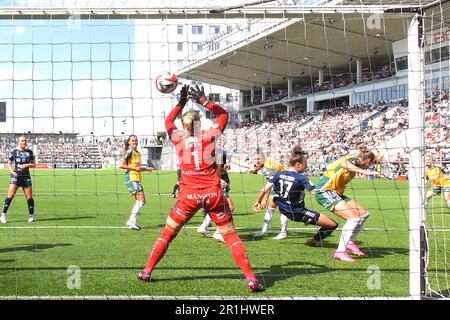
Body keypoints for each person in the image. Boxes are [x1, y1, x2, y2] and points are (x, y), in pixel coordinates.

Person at [138, 85, 264, 292]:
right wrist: (204, 100)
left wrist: (180, 103)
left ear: (184, 125)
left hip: (188, 196)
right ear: (199, 123)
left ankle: (147, 271)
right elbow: (224, 114)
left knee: (167, 234)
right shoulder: (210, 136)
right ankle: (251, 278)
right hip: (213, 194)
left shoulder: (178, 138)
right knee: (231, 236)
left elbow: (168, 122)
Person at [253, 146, 338, 246]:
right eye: (305, 164)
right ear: (298, 165)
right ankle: (314, 241)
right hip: (298, 212)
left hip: (284, 210)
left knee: (311, 212)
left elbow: (263, 190)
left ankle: (286, 230)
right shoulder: (302, 178)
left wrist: (258, 201)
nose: (306, 167)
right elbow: (315, 191)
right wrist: (331, 193)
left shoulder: (278, 175)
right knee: (333, 224)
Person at [315, 150, 381, 262]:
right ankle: (340, 251)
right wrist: (367, 173)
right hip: (325, 191)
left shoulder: (355, 164)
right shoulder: (355, 160)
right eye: (372, 163)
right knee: (353, 219)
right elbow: (344, 164)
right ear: (368, 161)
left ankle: (350, 242)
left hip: (336, 193)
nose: (372, 166)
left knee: (364, 214)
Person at [232, 152, 288, 239]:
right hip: (278, 186)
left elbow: (270, 184)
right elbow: (271, 183)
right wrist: (265, 200)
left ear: (263, 159)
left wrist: (263, 200)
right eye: (255, 159)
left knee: (282, 209)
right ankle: (264, 231)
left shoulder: (268, 166)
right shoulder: (265, 166)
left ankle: (283, 232)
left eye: (259, 159)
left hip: (285, 187)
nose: (256, 161)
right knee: (271, 208)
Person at [119, 135, 154, 230]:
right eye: (133, 140)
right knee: (141, 200)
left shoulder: (137, 153)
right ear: (129, 142)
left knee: (140, 201)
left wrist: (147, 169)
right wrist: (134, 168)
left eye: (136, 140)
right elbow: (121, 165)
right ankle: (131, 220)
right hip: (131, 177)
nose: (135, 142)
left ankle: (132, 222)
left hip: (137, 177)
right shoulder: (129, 151)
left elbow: (137, 168)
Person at [196, 150, 232, 243]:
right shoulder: (211, 162)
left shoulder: (217, 161)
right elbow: (208, 175)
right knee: (230, 207)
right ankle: (218, 232)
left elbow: (220, 169)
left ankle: (204, 227)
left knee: (216, 208)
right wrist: (220, 180)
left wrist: (225, 168)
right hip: (217, 187)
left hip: (218, 187)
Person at [1, 136, 36, 224]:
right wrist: (12, 172)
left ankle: (31, 216)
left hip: (26, 177)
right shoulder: (14, 152)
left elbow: (34, 164)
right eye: (23, 140)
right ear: (19, 142)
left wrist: (27, 165)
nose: (25, 142)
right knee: (10, 195)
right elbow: (9, 163)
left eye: (25, 140)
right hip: (16, 176)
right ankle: (3, 215)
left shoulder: (30, 152)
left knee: (29, 197)